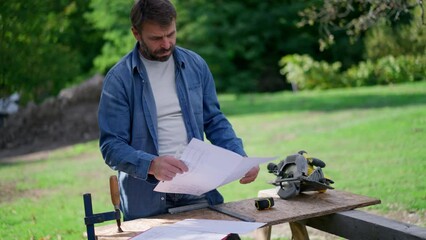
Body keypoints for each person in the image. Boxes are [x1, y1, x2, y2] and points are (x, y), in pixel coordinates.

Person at [98, 0, 259, 221]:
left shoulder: (196, 65)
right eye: (156, 38)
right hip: (147, 197)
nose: (166, 44)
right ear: (136, 33)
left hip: (197, 189)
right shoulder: (119, 79)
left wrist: (239, 158)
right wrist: (151, 165)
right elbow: (111, 146)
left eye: (171, 34)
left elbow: (214, 121)